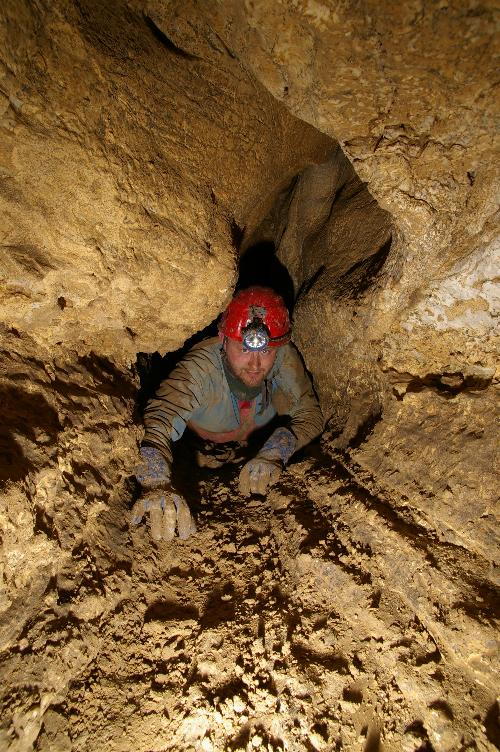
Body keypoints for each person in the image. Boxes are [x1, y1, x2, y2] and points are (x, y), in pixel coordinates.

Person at [131, 286, 323, 541]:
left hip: (256, 439)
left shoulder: (283, 357)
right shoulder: (201, 367)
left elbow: (310, 415)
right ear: (223, 339)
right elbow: (159, 417)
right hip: (199, 444)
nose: (255, 365)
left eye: (265, 351)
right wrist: (155, 479)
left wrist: (276, 450)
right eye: (244, 349)